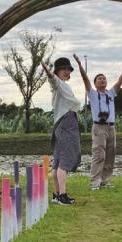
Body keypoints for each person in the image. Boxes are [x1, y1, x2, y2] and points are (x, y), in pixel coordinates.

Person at [73, 54, 122, 190]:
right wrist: (80, 65)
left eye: (104, 78)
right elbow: (85, 79)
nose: (102, 80)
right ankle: (95, 181)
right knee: (99, 154)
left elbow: (120, 81)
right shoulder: (93, 94)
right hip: (99, 127)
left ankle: (105, 181)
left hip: (111, 127)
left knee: (110, 155)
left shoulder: (111, 93)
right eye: (99, 78)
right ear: (95, 83)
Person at [40, 56, 83, 205]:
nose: (66, 71)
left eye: (68, 69)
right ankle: (62, 195)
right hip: (66, 124)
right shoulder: (57, 84)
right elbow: (52, 79)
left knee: (57, 162)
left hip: (62, 124)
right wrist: (48, 71)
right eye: (63, 69)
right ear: (57, 71)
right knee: (65, 160)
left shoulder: (64, 86)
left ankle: (57, 194)